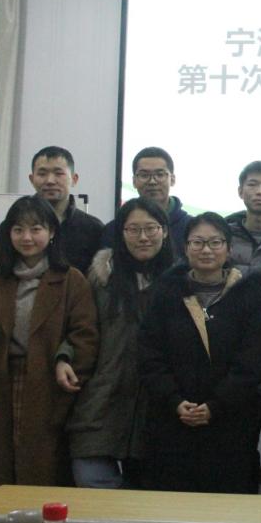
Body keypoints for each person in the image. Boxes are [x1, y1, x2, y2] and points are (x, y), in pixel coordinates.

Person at [0, 196, 98, 492]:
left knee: (41, 466)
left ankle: (41, 521)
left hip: (48, 384)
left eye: (36, 229)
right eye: (18, 229)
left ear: (51, 233)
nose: (27, 237)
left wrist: (66, 361)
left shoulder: (71, 280)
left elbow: (84, 334)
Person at [138, 212, 261, 493]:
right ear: (185, 248)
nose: (206, 250)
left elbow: (252, 361)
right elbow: (150, 354)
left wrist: (215, 405)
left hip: (232, 424)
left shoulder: (250, 294)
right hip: (173, 422)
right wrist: (175, 401)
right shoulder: (166, 293)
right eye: (197, 242)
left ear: (229, 249)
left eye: (215, 242)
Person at [66, 198, 175, 488]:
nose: (143, 237)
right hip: (102, 400)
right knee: (93, 489)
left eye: (151, 228)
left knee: (146, 503)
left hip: (158, 407)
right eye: (133, 229)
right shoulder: (100, 279)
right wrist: (64, 357)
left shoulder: (179, 283)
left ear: (165, 231)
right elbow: (78, 328)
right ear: (121, 233)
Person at [102, 147, 191, 259]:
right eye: (144, 175)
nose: (152, 181)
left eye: (160, 175)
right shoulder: (114, 229)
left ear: (172, 179)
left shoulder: (190, 227)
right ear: (134, 181)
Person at [28, 146, 104, 274]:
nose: (50, 181)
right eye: (42, 174)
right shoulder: (14, 226)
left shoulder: (93, 228)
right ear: (31, 179)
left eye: (58, 173)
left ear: (74, 179)